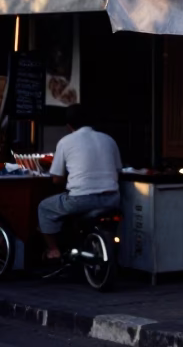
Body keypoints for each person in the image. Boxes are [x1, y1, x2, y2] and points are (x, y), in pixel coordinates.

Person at [38, 105, 122, 260]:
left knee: (44, 207)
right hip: (112, 199)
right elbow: (117, 170)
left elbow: (56, 179)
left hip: (81, 200)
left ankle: (53, 250)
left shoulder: (65, 141)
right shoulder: (109, 139)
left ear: (69, 125)